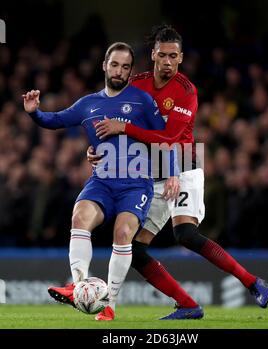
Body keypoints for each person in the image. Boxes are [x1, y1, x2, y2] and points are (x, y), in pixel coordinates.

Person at [90, 25, 268, 316]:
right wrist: (99, 149)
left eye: (173, 56)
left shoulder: (187, 91)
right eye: (162, 55)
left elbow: (168, 139)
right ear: (153, 55)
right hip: (152, 171)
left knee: (185, 234)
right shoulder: (136, 85)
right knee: (133, 250)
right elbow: (111, 121)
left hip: (184, 163)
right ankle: (188, 305)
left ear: (181, 57)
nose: (167, 62)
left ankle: (252, 282)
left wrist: (124, 127)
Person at [23, 42, 178, 321]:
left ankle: (110, 305)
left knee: (122, 233)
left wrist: (174, 173)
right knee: (80, 217)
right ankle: (78, 286)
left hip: (135, 184)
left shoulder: (142, 101)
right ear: (104, 66)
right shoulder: (88, 104)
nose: (120, 71)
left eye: (126, 66)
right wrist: (35, 112)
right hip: (103, 181)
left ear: (130, 71)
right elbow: (55, 119)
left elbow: (166, 139)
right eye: (115, 64)